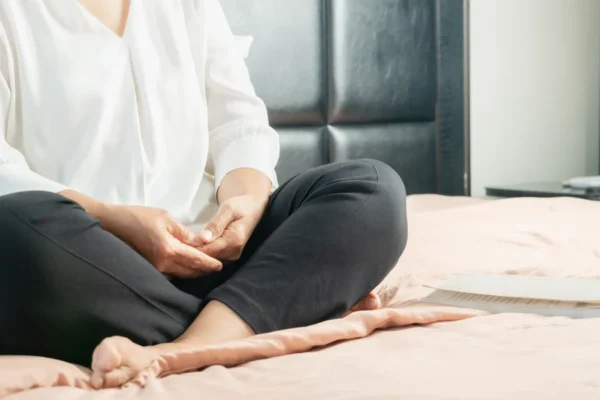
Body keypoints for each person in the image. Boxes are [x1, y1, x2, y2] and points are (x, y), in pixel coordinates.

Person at [0, 0, 408, 389]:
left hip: (216, 258)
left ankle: (193, 345)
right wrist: (114, 218)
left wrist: (246, 203)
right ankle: (275, 307)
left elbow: (239, 124)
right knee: (13, 228)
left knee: (372, 189)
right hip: (89, 266)